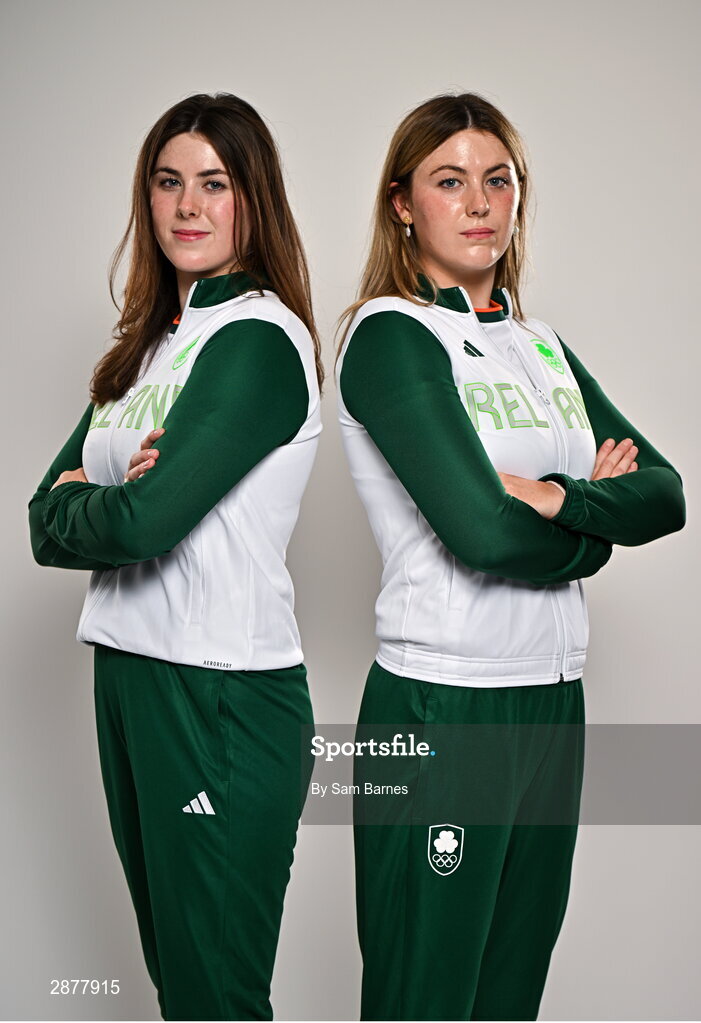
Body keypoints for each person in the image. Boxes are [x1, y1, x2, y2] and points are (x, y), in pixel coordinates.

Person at [335, 92, 686, 1021]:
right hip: (443, 703)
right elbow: (479, 532)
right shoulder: (389, 336)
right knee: (425, 996)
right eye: (450, 181)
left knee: (506, 997)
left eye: (498, 180)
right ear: (403, 202)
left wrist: (559, 497)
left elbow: (665, 492)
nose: (479, 201)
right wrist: (595, 534)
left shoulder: (542, 347)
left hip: (551, 700)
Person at [28, 92, 322, 1021]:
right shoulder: (149, 351)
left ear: (252, 201)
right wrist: (102, 500)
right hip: (131, 673)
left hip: (219, 693)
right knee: (181, 991)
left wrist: (102, 497)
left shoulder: (257, 341)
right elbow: (42, 518)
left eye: (213, 183)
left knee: (215, 997)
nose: (186, 206)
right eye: (167, 182)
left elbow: (140, 526)